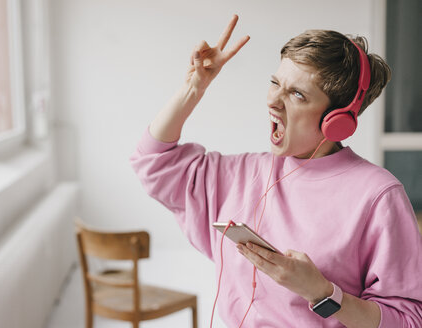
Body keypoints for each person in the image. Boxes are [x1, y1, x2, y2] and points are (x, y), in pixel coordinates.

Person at [130, 15, 422, 327]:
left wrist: (322, 293)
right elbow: (153, 161)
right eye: (275, 83)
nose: (273, 101)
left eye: (297, 94)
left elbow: (408, 320)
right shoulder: (243, 173)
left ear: (337, 121)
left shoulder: (377, 195)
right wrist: (193, 88)